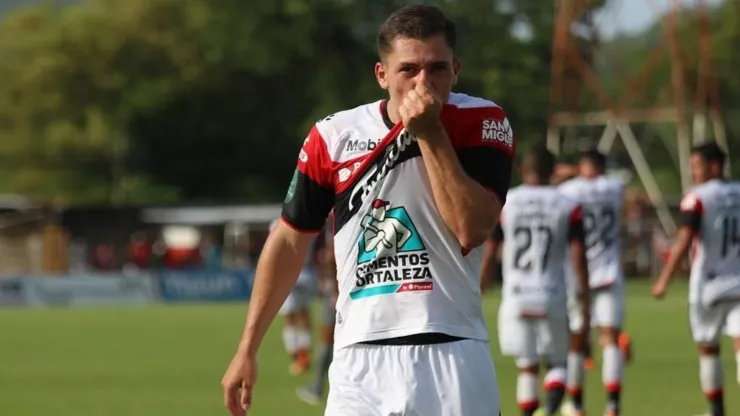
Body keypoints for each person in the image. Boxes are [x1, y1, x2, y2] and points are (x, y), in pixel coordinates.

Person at [220, 5, 515, 416]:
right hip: (359, 358)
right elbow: (289, 239)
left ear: (457, 69)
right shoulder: (334, 135)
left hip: (451, 348)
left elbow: (472, 227)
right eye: (408, 69)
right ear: (382, 75)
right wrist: (247, 348)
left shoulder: (481, 120)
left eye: (437, 69)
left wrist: (429, 131)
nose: (422, 83)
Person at [483, 147, 590, 416]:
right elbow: (578, 257)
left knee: (527, 364)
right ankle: (552, 407)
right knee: (558, 363)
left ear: (521, 171)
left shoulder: (507, 202)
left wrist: (482, 283)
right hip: (552, 293)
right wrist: (584, 298)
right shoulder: (568, 205)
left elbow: (491, 247)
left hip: (516, 296)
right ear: (554, 172)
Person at [652, 142, 740, 416]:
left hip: (708, 286)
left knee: (708, 349)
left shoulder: (698, 197)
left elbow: (685, 239)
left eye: (697, 166)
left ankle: (715, 411)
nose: (693, 172)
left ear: (714, 166)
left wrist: (665, 278)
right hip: (738, 282)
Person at [558, 149, 628, 416]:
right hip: (608, 273)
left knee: (577, 339)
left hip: (577, 274)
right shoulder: (614, 187)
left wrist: (571, 172)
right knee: (610, 338)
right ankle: (612, 405)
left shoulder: (569, 191)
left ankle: (576, 405)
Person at [297, 216, 338, 405]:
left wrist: (333, 290)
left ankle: (318, 386)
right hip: (348, 288)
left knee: (327, 338)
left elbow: (331, 257)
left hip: (337, 291)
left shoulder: (335, 226)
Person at [270, 219, 316, 376]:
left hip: (289, 274)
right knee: (304, 317)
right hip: (306, 274)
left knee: (290, 319)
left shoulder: (277, 224)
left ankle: (296, 356)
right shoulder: (308, 219)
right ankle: (304, 356)